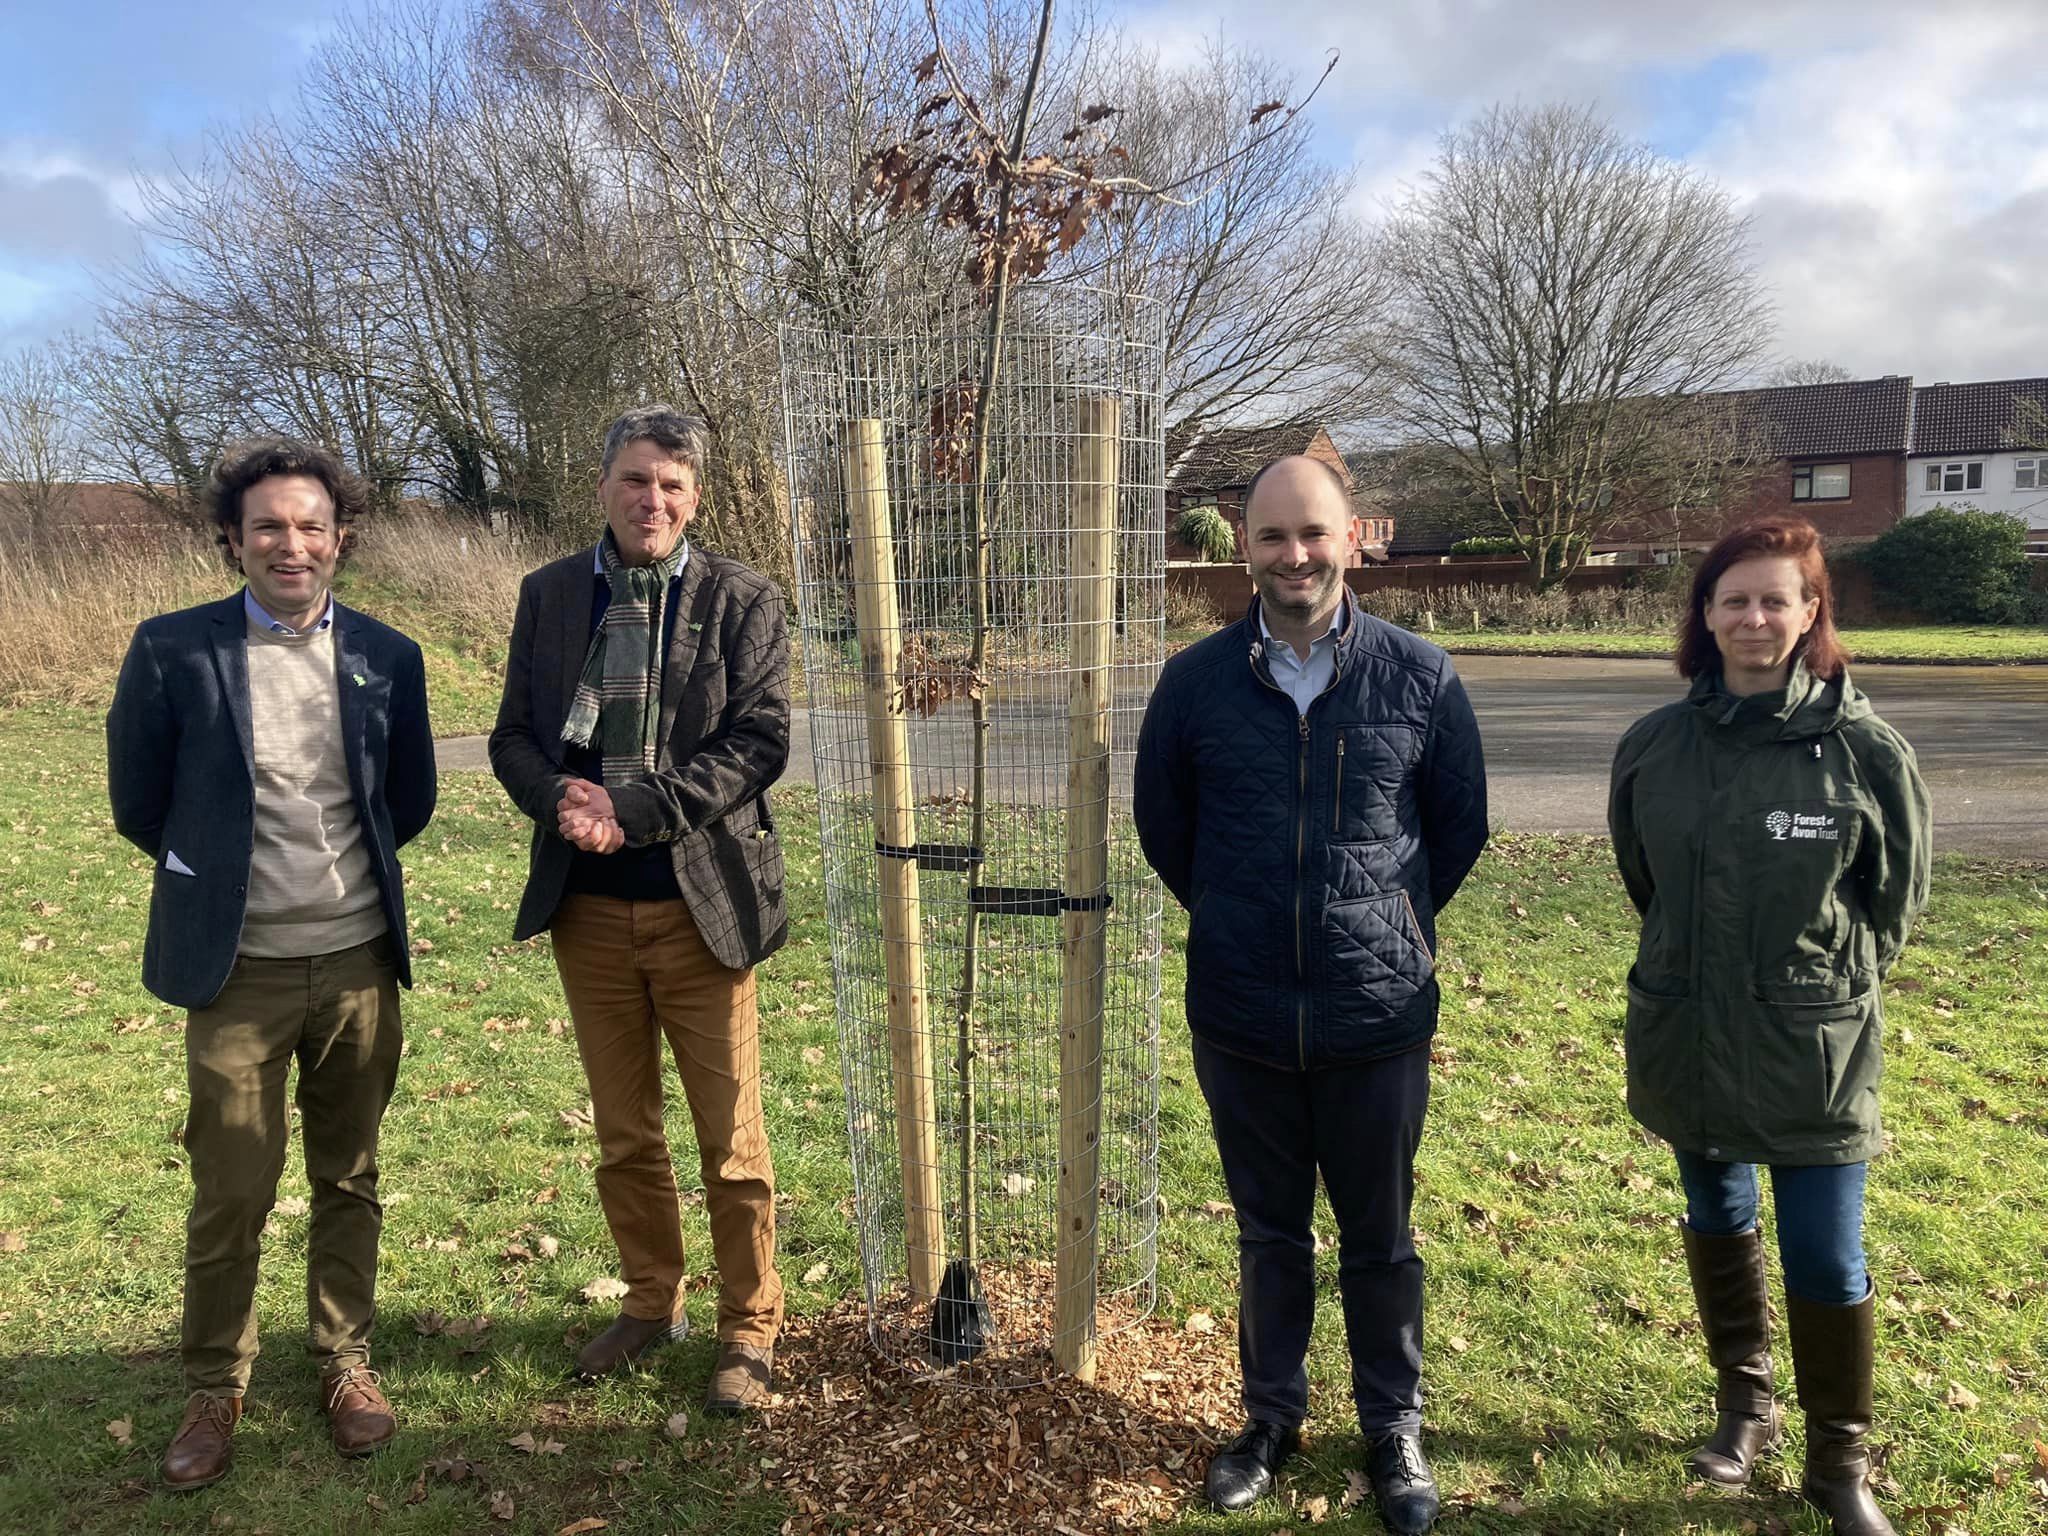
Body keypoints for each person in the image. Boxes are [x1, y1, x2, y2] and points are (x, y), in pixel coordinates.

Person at [1133, 456, 1489, 1533]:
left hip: (1372, 1015)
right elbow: (1166, 828)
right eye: (1273, 536)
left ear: (1352, 539)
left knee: (1380, 1238)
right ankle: (1269, 1418)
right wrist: (1242, 920)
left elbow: (1455, 830)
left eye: (1313, 534)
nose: (1295, 555)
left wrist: (1379, 925)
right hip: (1240, 1015)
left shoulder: (1420, 677)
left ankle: (1392, 1426)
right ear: (1244, 546)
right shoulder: (1192, 683)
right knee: (1268, 1236)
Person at [106, 438, 436, 1490]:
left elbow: (408, 801)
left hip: (354, 967)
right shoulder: (172, 651)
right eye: (267, 528)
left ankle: (345, 1364)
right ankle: (216, 1386)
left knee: (350, 1176)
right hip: (235, 970)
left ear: (340, 537)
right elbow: (139, 803)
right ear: (233, 540)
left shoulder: (390, 655)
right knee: (232, 1190)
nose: (289, 545)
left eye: (309, 526)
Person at [1608, 515, 1930, 1536]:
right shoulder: (1654, 746)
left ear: (1807, 614)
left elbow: (1891, 905)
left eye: (1773, 598)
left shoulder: (1862, 752)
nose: (1752, 616)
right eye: (1732, 598)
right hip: (1689, 1032)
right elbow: (1642, 879)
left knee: (1826, 1257)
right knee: (1715, 1217)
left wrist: (1811, 986)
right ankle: (1742, 1407)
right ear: (1702, 616)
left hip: (1812, 1049)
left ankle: (1839, 1462)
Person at [489, 405, 790, 1413]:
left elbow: (756, 745)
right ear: (603, 489)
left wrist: (633, 808)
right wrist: (562, 802)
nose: (650, 498)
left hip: (700, 907)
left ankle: (748, 1326)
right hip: (586, 911)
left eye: (670, 482)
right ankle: (651, 1300)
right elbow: (514, 740)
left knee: (731, 1143)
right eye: (633, 480)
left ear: (693, 496)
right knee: (625, 1134)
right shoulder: (548, 598)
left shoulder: (742, 599)